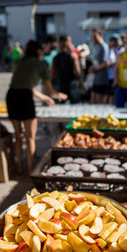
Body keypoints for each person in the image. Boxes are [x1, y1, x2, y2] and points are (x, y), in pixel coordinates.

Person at [6, 40, 67, 176]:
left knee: (18, 135)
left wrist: (46, 98)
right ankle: (30, 170)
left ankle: (20, 168)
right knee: (30, 138)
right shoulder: (41, 64)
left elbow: (25, 86)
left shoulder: (21, 62)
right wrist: (58, 95)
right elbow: (50, 91)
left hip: (12, 95)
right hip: (25, 97)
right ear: (39, 51)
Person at [51, 34, 81, 104]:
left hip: (61, 85)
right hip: (72, 85)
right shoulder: (73, 56)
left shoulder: (55, 58)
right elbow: (77, 72)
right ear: (67, 42)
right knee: (75, 108)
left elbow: (52, 75)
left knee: (62, 109)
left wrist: (61, 74)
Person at [91, 28, 109, 104]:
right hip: (95, 78)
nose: (93, 39)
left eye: (95, 37)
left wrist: (95, 69)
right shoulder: (95, 47)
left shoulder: (104, 47)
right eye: (92, 37)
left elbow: (106, 63)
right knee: (94, 97)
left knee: (99, 99)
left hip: (101, 78)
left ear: (100, 35)